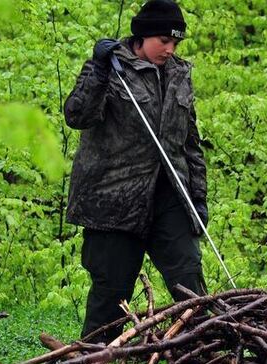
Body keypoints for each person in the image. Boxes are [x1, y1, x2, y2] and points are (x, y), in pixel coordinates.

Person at [63, 0, 207, 343]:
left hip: (168, 196)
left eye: (176, 42)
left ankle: (206, 352)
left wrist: (198, 198)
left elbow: (190, 144)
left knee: (191, 283)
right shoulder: (110, 69)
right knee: (111, 295)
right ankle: (93, 359)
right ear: (141, 36)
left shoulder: (179, 75)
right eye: (163, 40)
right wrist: (96, 70)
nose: (170, 49)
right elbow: (77, 116)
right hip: (113, 201)